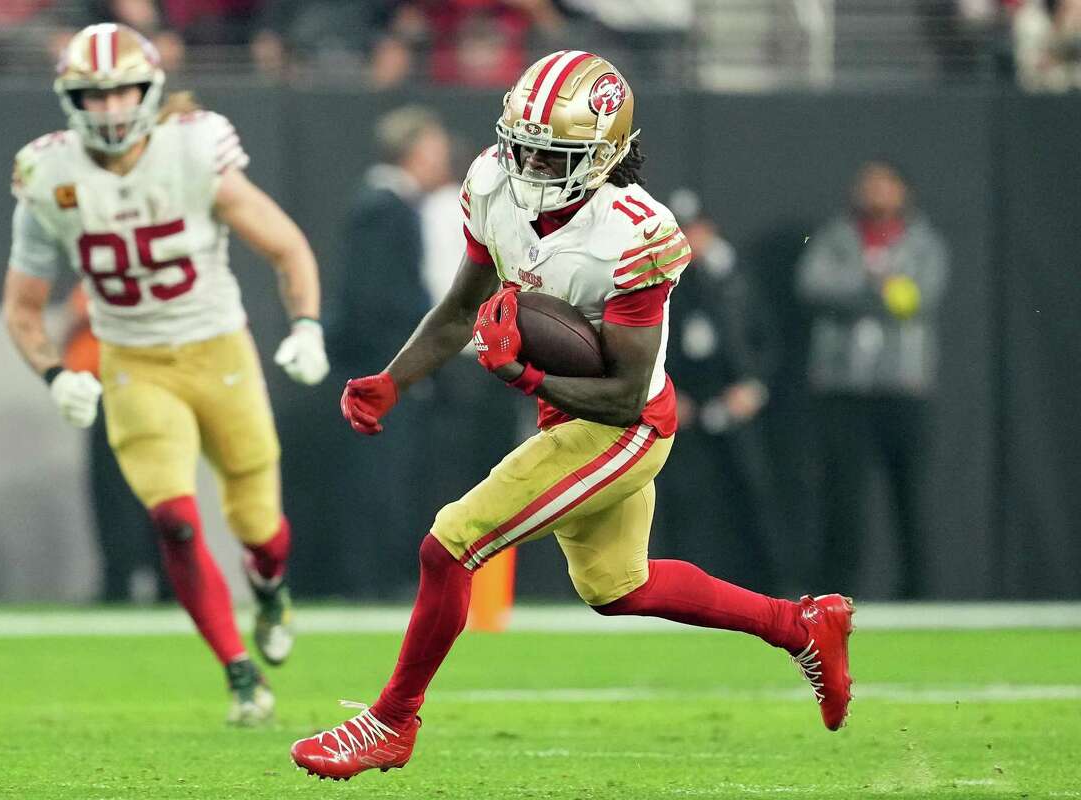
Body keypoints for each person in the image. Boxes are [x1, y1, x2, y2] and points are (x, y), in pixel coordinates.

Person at [291, 50, 855, 781]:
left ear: (604, 154)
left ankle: (391, 722)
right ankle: (802, 626)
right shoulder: (493, 182)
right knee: (620, 587)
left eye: (549, 152)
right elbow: (463, 305)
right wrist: (392, 382)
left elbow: (622, 393)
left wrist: (523, 373)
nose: (525, 163)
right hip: (573, 417)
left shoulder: (634, 234)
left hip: (627, 429)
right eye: (520, 142)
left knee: (448, 545)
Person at [1, 23, 329, 725]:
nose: (112, 107)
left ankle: (269, 587)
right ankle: (240, 673)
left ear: (149, 91)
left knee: (260, 526)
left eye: (123, 90)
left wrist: (306, 326)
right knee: (175, 520)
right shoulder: (47, 174)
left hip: (219, 350)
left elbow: (287, 247)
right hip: (133, 362)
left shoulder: (195, 147)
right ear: (71, 99)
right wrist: (55, 374)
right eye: (94, 93)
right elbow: (23, 307)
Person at [796, 160, 949, 599]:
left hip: (904, 389)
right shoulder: (834, 238)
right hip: (844, 392)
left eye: (886, 185)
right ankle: (834, 598)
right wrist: (875, 282)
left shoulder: (922, 242)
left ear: (904, 191)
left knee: (912, 498)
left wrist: (869, 291)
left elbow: (918, 299)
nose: (877, 192)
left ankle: (920, 596)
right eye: (869, 185)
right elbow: (813, 285)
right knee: (843, 501)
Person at [328, 106, 448, 596]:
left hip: (379, 367)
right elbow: (374, 298)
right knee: (383, 476)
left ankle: (376, 576)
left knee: (386, 474)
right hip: (383, 369)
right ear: (414, 151)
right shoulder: (386, 208)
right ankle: (375, 580)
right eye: (435, 150)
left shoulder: (386, 206)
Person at [654, 199, 788, 595]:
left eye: (695, 230)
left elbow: (767, 343)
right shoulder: (657, 281)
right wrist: (666, 394)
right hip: (682, 407)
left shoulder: (736, 279)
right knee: (680, 499)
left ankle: (766, 585)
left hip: (735, 406)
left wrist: (752, 388)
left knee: (751, 493)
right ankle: (672, 585)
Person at [62, 284, 169, 603]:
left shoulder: (138, 278)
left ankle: (164, 578)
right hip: (104, 394)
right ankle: (120, 578)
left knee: (153, 489)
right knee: (113, 495)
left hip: (139, 390)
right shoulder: (93, 281)